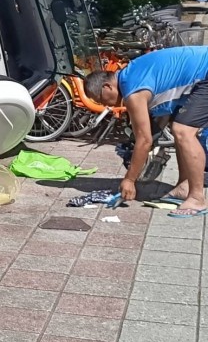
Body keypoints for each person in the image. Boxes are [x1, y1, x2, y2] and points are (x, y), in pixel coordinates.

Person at [85, 46, 208, 217]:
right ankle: (184, 186)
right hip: (201, 74)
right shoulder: (130, 75)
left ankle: (197, 198)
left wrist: (130, 179)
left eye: (100, 99)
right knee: (177, 125)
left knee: (183, 131)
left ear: (107, 87)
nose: (106, 106)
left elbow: (144, 140)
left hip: (205, 73)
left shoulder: (133, 90)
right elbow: (161, 118)